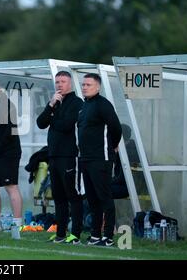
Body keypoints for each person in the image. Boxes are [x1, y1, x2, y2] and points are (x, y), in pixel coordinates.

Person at [36, 70, 84, 244]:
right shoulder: (55, 103)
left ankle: (75, 235)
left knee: (73, 196)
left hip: (69, 156)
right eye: (57, 82)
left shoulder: (76, 102)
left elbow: (65, 125)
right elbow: (41, 123)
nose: (59, 85)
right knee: (59, 197)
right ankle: (61, 234)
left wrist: (52, 117)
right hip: (54, 156)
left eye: (63, 81)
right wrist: (50, 106)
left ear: (70, 83)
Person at [77, 73, 122, 247]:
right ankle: (95, 234)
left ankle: (109, 237)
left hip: (101, 158)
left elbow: (116, 127)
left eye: (88, 84)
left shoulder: (103, 105)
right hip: (85, 158)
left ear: (98, 87)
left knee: (104, 197)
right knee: (92, 198)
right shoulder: (84, 106)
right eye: (83, 85)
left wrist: (113, 144)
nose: (84, 87)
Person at [0, 88, 23, 230]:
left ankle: (17, 222)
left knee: (11, 187)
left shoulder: (4, 104)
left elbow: (9, 133)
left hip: (7, 153)